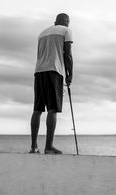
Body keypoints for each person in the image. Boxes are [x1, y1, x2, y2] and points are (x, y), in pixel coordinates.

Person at [29, 13, 73, 154]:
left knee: (38, 109)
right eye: (68, 22)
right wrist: (69, 74)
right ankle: (48, 147)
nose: (67, 24)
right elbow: (68, 54)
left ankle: (34, 147)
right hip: (54, 71)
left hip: (39, 71)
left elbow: (40, 53)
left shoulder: (42, 33)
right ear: (65, 22)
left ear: (55, 22)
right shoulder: (66, 31)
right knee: (53, 108)